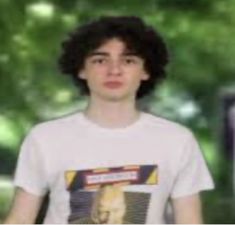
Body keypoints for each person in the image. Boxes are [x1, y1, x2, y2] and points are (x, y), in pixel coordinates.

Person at [4, 16, 214, 224]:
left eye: (128, 60)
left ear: (146, 71)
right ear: (82, 69)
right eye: (100, 60)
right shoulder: (45, 138)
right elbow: (21, 219)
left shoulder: (177, 140)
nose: (114, 70)